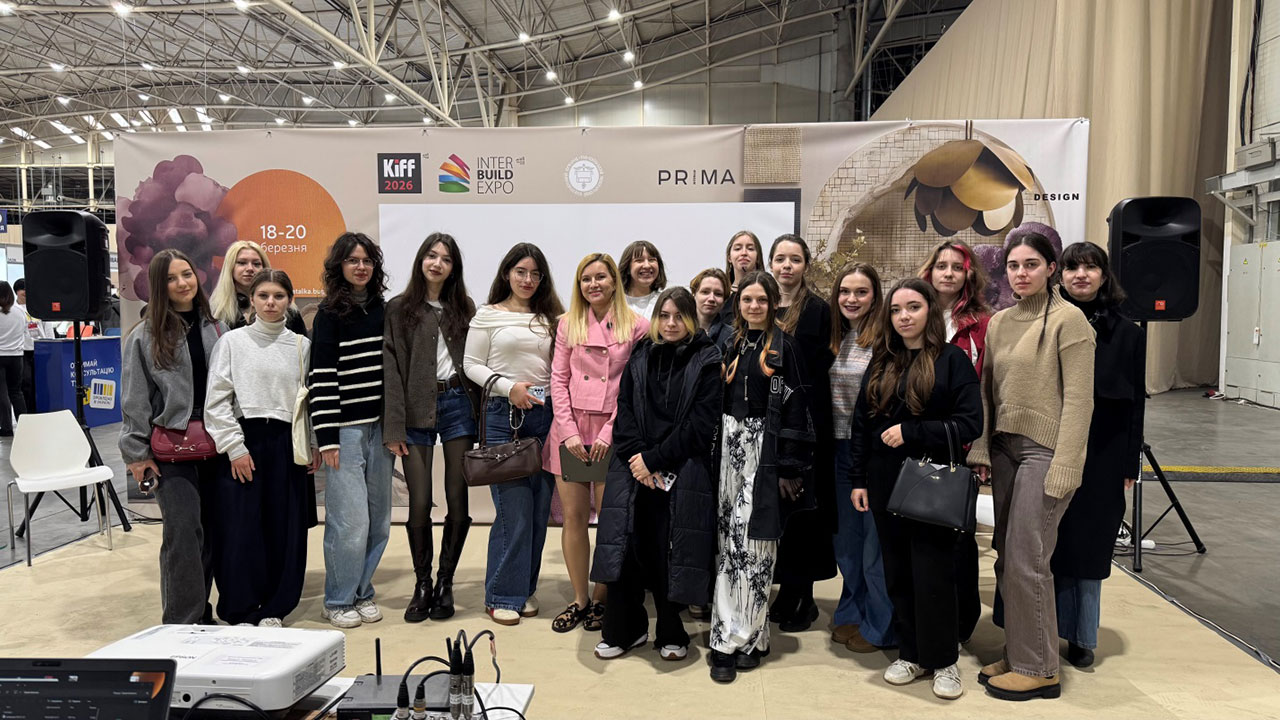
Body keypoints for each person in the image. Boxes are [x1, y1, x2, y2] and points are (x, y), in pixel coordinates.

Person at [968, 231, 1095, 701]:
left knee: (1028, 559)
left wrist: (1067, 465)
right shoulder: (1000, 322)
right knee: (1008, 557)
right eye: (1014, 266)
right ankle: (1023, 651)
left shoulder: (1070, 320)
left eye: (1031, 264)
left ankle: (1039, 669)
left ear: (1051, 268)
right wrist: (982, 449)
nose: (1021, 273)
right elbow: (987, 391)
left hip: (1045, 452)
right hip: (1005, 449)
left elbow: (1080, 401)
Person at [849, 278, 982, 700]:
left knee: (934, 573)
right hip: (883, 480)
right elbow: (861, 425)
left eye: (913, 307)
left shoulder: (952, 360)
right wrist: (857, 479)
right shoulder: (882, 360)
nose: (904, 316)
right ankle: (911, 653)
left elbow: (971, 423)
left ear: (930, 312)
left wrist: (913, 431)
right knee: (898, 571)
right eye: (896, 309)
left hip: (931, 481)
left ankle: (944, 661)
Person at [591, 287, 721, 660]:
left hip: (681, 470)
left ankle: (670, 632)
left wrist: (655, 460)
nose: (671, 323)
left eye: (679, 316)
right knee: (626, 549)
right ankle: (624, 630)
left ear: (691, 318)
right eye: (664, 316)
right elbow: (625, 411)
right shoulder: (642, 353)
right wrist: (638, 459)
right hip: (632, 470)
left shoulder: (707, 358)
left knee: (669, 552)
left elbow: (700, 426)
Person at [709, 271, 814, 684]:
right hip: (728, 450)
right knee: (727, 548)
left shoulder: (786, 348)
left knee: (755, 549)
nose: (754, 306)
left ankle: (738, 639)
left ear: (773, 304)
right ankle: (739, 636)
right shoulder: (729, 342)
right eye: (747, 300)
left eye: (762, 300)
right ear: (738, 304)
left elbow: (798, 408)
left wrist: (789, 467)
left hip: (764, 452)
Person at [204, 269, 319, 627]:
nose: (271, 303)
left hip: (287, 443)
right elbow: (216, 400)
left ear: (290, 301)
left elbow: (308, 402)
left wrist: (312, 443)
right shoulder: (232, 343)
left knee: (284, 529)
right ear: (251, 299)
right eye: (264, 296)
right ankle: (240, 607)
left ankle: (274, 607)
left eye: (279, 296)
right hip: (244, 441)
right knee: (240, 528)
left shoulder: (301, 346)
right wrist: (234, 447)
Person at [120, 249, 228, 624]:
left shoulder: (217, 329)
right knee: (182, 535)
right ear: (158, 286)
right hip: (170, 449)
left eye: (187, 274)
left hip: (217, 445)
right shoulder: (144, 336)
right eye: (171, 278)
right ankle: (182, 622)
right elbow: (134, 399)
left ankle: (202, 613)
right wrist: (136, 454)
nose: (182, 283)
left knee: (212, 532)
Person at [1051, 241, 1145, 669]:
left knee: (1090, 543)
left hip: (1105, 450)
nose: (1081, 275)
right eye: (1073, 268)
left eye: (1090, 268)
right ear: (1061, 275)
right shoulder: (1048, 321)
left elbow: (1136, 403)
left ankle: (1081, 635)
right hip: (1051, 443)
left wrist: (1129, 461)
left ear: (1104, 276)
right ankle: (1042, 628)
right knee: (1050, 539)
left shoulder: (1128, 332)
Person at [545, 253, 648, 633]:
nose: (594, 285)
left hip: (613, 432)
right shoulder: (568, 323)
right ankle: (580, 598)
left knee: (610, 521)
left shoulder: (637, 326)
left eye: (601, 277)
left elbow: (634, 387)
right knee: (573, 518)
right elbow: (557, 380)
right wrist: (569, 431)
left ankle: (602, 597)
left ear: (614, 281)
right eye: (586, 279)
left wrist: (609, 433)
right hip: (571, 431)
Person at [463, 242, 564, 626]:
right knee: (513, 511)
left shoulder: (552, 317)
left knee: (539, 511)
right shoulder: (488, 315)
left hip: (546, 416)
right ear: (507, 273)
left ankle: (524, 588)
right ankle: (501, 594)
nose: (527, 279)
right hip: (504, 415)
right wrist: (509, 389)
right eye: (521, 271)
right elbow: (471, 364)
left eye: (535, 273)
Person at [383, 233, 479, 623]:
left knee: (458, 498)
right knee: (419, 501)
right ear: (420, 260)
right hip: (414, 409)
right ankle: (422, 584)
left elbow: (476, 361)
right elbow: (391, 369)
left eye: (446, 258)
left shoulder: (464, 307)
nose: (437, 263)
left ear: (454, 267)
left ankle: (445, 582)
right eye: (431, 255)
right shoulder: (399, 308)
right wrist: (394, 426)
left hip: (458, 404)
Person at [310, 232, 394, 629]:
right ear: (339, 266)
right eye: (352, 260)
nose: (361, 267)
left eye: (367, 261)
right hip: (344, 431)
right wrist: (326, 437)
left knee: (378, 521)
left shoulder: (384, 310)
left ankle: (362, 591)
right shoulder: (329, 314)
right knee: (349, 521)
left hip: (381, 429)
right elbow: (322, 377)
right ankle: (338, 599)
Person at [917, 239, 992, 643]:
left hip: (960, 446)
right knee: (920, 539)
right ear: (929, 271)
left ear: (969, 274)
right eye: (941, 266)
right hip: (917, 442)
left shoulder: (983, 324)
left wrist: (981, 448)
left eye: (956, 267)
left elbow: (988, 391)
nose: (948, 273)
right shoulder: (916, 314)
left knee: (959, 540)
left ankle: (961, 623)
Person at [767, 234, 836, 632]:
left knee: (804, 512)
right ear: (771, 264)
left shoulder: (817, 310)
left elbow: (822, 366)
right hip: (769, 421)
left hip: (807, 423)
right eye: (780, 259)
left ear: (806, 265)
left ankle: (803, 595)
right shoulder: (761, 304)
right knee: (778, 512)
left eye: (795, 259)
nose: (787, 266)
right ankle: (784, 590)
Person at [826, 263, 894, 653]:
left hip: (869, 452)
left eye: (861, 292)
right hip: (836, 450)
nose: (851, 299)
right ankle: (852, 610)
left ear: (875, 296)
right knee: (847, 543)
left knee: (874, 545)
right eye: (845, 292)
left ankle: (880, 624)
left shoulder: (885, 339)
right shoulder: (833, 337)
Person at [209, 240, 308, 334]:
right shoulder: (216, 311)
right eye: (242, 263)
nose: (250, 268)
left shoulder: (289, 312)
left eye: (256, 264)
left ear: (264, 268)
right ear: (230, 267)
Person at [13, 279, 51, 415]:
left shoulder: (37, 307)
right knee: (26, 381)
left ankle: (42, 410)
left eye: (27, 289)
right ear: (16, 291)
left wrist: (50, 343)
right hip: (22, 350)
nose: (25, 292)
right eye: (22, 289)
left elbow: (47, 326)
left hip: (40, 348)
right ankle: (28, 412)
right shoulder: (13, 309)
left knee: (42, 381)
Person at [0, 282, 27, 434]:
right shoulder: (20, 312)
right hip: (17, 357)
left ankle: (6, 427)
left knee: (2, 393)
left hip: (0, 356)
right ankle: (24, 425)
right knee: (16, 392)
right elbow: (24, 331)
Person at [619, 241, 667, 317]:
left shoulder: (665, 302)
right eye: (639, 260)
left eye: (651, 260)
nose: (647, 265)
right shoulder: (615, 303)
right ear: (627, 268)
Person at [690, 267, 732, 350]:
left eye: (718, 294)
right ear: (694, 295)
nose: (711, 299)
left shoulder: (731, 337)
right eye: (705, 292)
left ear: (724, 301)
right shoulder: (679, 331)